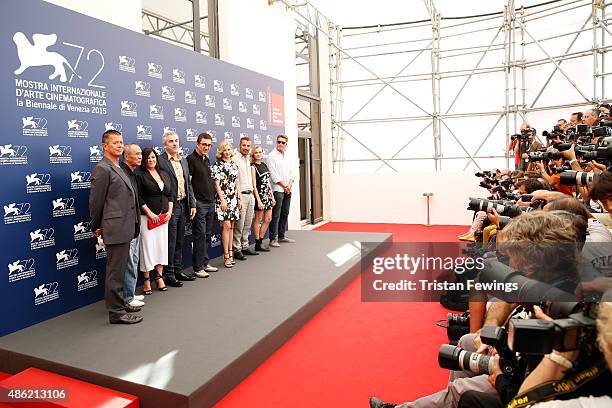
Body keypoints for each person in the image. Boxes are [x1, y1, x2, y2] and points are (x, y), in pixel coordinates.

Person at [89, 129, 142, 324]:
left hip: (126, 226)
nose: (120, 145)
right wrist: (97, 226)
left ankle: (119, 304)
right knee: (115, 272)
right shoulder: (102, 169)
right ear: (104, 146)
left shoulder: (118, 168)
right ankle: (116, 313)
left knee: (120, 270)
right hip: (115, 227)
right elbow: (96, 202)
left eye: (121, 142)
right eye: (115, 143)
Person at [158, 131, 197, 286]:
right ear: (165, 145)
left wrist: (192, 203)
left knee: (180, 240)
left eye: (176, 140)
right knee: (171, 241)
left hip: (183, 205)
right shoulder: (160, 161)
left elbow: (188, 184)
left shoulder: (184, 161)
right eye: (171, 141)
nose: (175, 143)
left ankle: (178, 271)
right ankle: (169, 274)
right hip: (170, 207)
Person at [136, 148, 173, 294]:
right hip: (147, 219)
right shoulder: (139, 175)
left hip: (163, 218)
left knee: (160, 247)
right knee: (147, 248)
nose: (151, 160)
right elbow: (138, 197)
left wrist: (169, 212)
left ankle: (159, 277)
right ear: (143, 161)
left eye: (153, 157)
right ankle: (146, 280)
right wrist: (150, 213)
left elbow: (170, 194)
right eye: (147, 158)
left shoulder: (164, 173)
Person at [187, 133, 219, 278]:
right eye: (204, 144)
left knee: (207, 235)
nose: (206, 147)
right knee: (199, 235)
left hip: (210, 202)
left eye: (209, 145)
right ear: (197, 144)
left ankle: (205, 262)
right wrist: (193, 203)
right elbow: (189, 183)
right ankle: (198, 267)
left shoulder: (207, 159)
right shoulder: (190, 160)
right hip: (199, 204)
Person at [120, 143, 145, 308]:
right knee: (129, 262)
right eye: (136, 154)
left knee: (134, 260)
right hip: (126, 226)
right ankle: (127, 298)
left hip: (135, 224)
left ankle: (130, 293)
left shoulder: (133, 173)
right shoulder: (122, 173)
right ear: (126, 156)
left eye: (141, 153)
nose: (140, 157)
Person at [211, 140, 241, 268]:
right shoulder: (217, 165)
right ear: (221, 151)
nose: (227, 152)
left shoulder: (234, 164)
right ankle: (226, 256)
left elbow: (236, 181)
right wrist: (222, 199)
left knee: (232, 226)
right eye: (225, 150)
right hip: (223, 199)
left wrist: (239, 196)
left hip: (234, 198)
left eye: (229, 149)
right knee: (226, 226)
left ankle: (230, 252)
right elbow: (216, 184)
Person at [266, 134, 295, 247]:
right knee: (276, 214)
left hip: (288, 189)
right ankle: (273, 239)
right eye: (279, 142)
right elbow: (274, 175)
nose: (280, 144)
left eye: (283, 142)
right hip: (278, 189)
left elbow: (292, 172)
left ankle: (281, 236)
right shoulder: (271, 156)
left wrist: (290, 185)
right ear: (276, 142)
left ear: (286, 144)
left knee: (285, 213)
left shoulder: (288, 155)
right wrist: (285, 186)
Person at [232, 136, 258, 260]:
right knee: (239, 224)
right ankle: (236, 249)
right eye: (244, 145)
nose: (246, 148)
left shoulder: (248, 159)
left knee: (247, 223)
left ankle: (245, 246)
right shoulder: (235, 158)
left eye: (248, 146)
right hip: (241, 195)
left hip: (250, 194)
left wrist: (253, 193)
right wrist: (238, 197)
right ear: (239, 145)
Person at [251, 145, 275, 252]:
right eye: (256, 152)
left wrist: (272, 196)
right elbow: (254, 185)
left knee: (268, 219)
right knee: (258, 219)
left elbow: (268, 183)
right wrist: (259, 200)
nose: (258, 154)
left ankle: (261, 239)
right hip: (259, 196)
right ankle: (257, 243)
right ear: (253, 154)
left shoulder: (264, 165)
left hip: (268, 196)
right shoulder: (253, 167)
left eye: (260, 152)